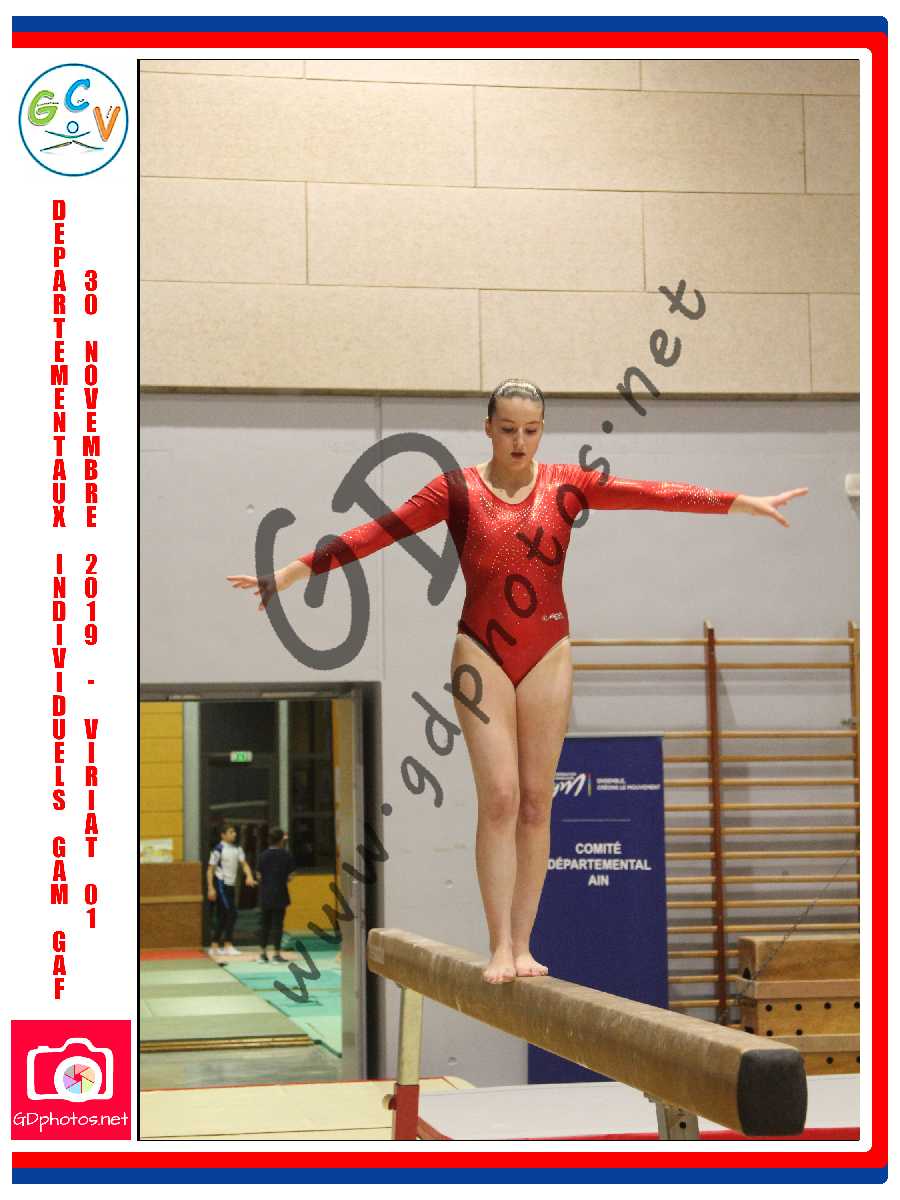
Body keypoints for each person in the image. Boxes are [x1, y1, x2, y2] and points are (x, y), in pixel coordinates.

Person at [227, 379, 808, 984]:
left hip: (548, 650)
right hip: (481, 651)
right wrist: (294, 571)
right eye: (508, 429)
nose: (519, 441)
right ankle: (499, 944)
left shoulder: (566, 485)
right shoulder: (456, 490)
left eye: (531, 430)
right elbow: (380, 530)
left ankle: (524, 944)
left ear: (542, 430)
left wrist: (741, 502)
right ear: (488, 428)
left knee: (535, 801)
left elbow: (653, 494)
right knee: (500, 797)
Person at [206, 822, 257, 957]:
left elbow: (244, 864)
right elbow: (210, 869)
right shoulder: (218, 849)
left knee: (223, 915)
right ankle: (227, 945)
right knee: (231, 913)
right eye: (231, 832)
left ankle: (214, 946)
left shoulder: (237, 849)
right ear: (223, 835)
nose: (234, 834)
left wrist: (249, 876)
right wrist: (211, 888)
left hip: (231, 885)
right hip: (221, 884)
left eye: (234, 832)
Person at [255, 827, 295, 964]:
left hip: (265, 894)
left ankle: (262, 954)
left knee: (264, 924)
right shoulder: (286, 855)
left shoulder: (262, 855)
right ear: (281, 840)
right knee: (278, 925)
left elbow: (259, 875)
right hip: (280, 894)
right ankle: (277, 954)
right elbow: (291, 876)